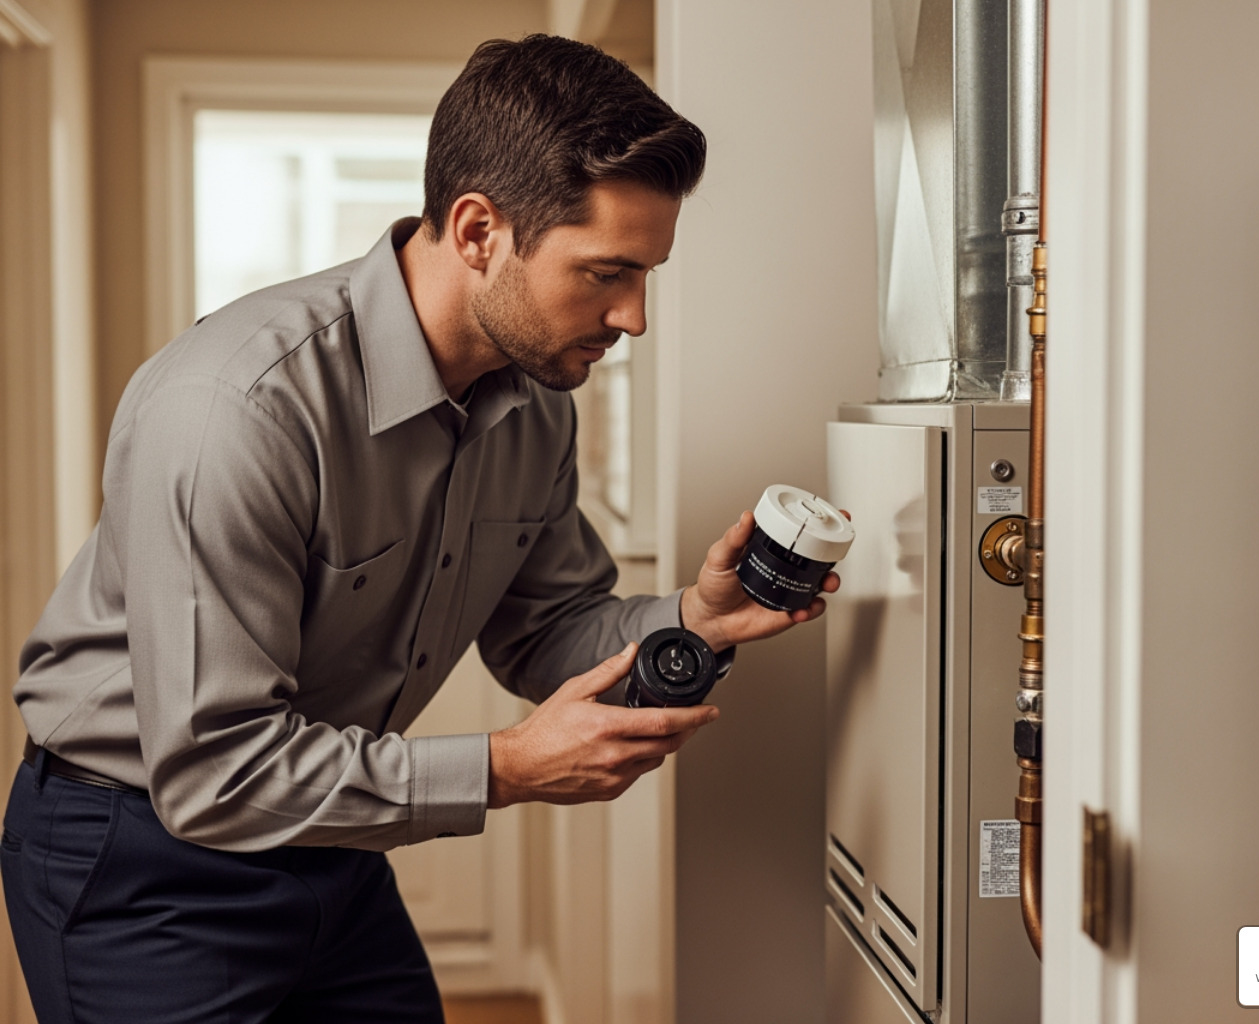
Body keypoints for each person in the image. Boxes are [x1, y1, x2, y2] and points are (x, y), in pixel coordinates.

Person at [1, 35, 836, 1023]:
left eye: (646, 274)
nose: (634, 317)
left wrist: (694, 619)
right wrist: (505, 768)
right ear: (480, 230)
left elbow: (545, 630)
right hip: (144, 855)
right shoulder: (236, 409)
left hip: (331, 835)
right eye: (606, 273)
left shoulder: (535, 405)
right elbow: (214, 770)